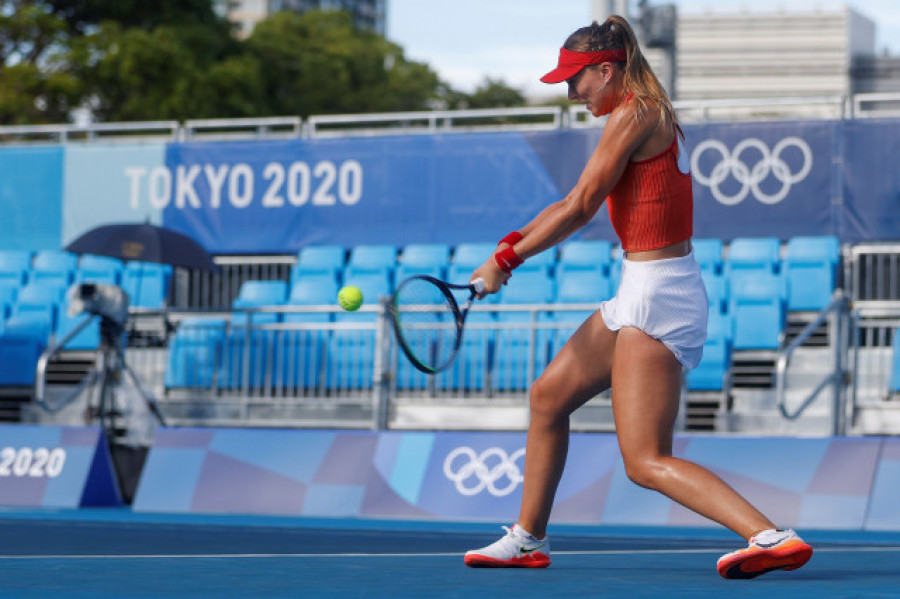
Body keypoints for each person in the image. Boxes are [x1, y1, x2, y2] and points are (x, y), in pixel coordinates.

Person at [462, 16, 813, 579]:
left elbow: (579, 206)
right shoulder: (640, 111)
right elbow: (571, 200)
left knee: (645, 461)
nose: (570, 92)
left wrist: (507, 261)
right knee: (549, 396)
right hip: (641, 288)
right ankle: (527, 539)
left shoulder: (637, 112)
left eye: (576, 80)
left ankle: (771, 536)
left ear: (607, 69)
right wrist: (505, 251)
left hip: (658, 295)